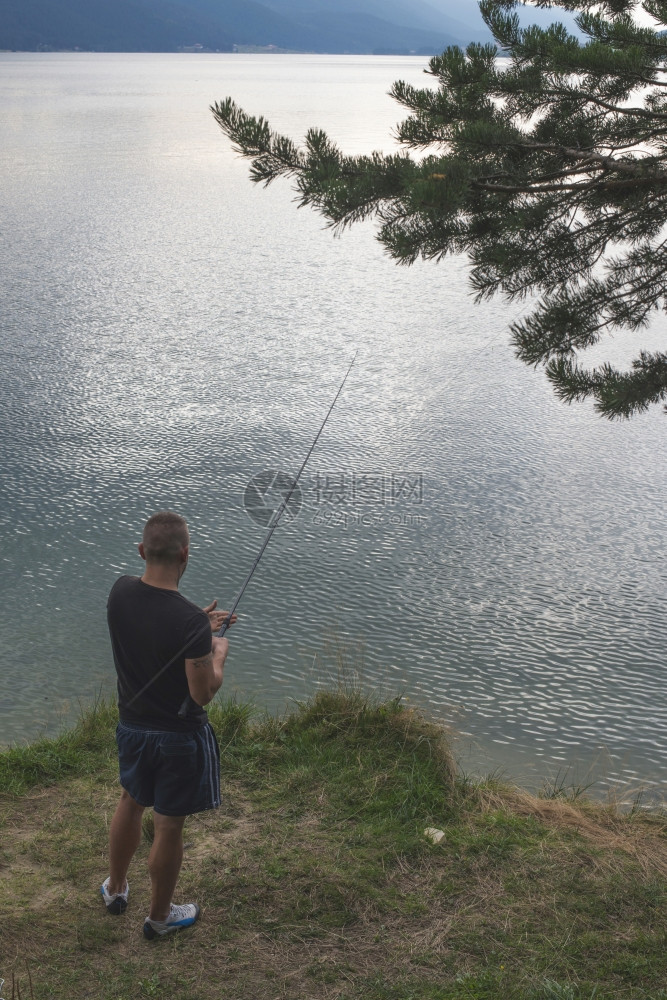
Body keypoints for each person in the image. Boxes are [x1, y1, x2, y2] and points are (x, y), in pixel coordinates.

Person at [102, 510, 236, 940]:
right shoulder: (189, 623)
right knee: (169, 825)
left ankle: (116, 888)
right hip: (178, 739)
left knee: (130, 799)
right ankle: (160, 918)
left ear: (142, 551)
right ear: (186, 553)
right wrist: (216, 651)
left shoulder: (119, 592)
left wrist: (198, 626)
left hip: (132, 728)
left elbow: (153, 615)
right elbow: (203, 692)